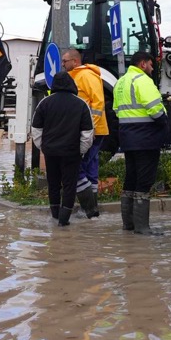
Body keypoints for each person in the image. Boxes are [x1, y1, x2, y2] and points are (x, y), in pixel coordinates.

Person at [113, 51, 170, 236]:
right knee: (144, 181)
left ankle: (128, 224)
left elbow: (116, 110)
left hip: (128, 138)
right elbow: (155, 109)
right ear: (143, 64)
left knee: (131, 179)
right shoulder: (142, 80)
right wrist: (164, 122)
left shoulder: (121, 82)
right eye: (151, 65)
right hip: (146, 138)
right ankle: (142, 227)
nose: (152, 69)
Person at [31, 71, 95, 227]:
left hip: (51, 152)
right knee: (69, 185)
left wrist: (44, 147)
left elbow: (36, 129)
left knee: (53, 184)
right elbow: (88, 133)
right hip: (71, 153)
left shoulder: (44, 103)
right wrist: (80, 151)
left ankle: (55, 217)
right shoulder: (81, 104)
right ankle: (64, 221)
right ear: (72, 84)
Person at [62, 48, 109, 219]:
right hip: (88, 130)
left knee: (79, 168)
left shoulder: (86, 76)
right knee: (89, 168)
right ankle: (91, 209)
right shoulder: (75, 76)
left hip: (90, 132)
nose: (62, 64)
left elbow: (98, 103)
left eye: (65, 61)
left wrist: (92, 128)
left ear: (75, 61)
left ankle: (89, 209)